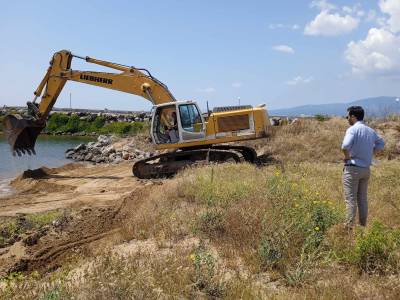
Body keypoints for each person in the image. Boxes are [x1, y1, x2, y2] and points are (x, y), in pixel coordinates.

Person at [341, 106, 385, 228]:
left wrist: (347, 157)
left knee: (350, 200)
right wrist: (372, 153)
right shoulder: (370, 130)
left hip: (353, 168)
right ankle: (362, 226)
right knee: (362, 199)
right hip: (366, 169)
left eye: (347, 116)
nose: (347, 119)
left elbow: (345, 146)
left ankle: (349, 228)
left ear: (353, 117)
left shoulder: (352, 130)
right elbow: (381, 143)